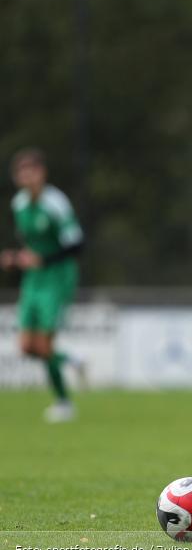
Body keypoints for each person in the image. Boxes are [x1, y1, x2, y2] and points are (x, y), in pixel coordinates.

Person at [1, 148, 85, 422]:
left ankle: (63, 403)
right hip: (34, 279)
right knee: (27, 346)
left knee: (45, 341)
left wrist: (44, 259)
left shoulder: (56, 203)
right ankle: (70, 360)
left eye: (32, 171)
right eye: (22, 173)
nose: (27, 177)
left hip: (58, 276)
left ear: (42, 173)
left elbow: (76, 245)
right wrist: (17, 258)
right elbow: (30, 246)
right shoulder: (19, 205)